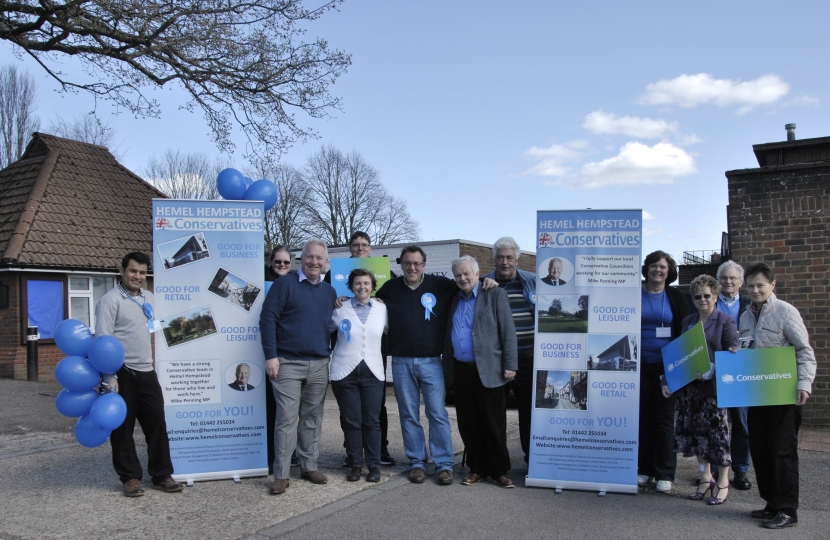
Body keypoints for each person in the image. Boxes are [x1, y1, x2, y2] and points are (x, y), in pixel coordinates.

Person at [95, 252, 183, 497]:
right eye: (133, 271)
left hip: (147, 370)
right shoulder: (110, 301)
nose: (138, 276)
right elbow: (102, 341)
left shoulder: (149, 298)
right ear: (122, 271)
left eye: (142, 273)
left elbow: (157, 328)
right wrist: (108, 377)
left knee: (157, 424)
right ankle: (130, 477)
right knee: (122, 429)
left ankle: (161, 475)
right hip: (122, 373)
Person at [738, 262, 815, 529]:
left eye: (760, 285)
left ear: (772, 285)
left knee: (782, 452)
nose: (756, 290)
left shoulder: (785, 312)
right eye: (751, 286)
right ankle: (771, 503)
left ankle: (787, 510)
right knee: (760, 449)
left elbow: (804, 351)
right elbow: (745, 349)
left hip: (784, 394)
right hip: (758, 393)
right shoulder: (745, 316)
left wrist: (804, 383)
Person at [375, 246, 458, 486]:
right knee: (409, 415)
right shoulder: (390, 288)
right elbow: (370, 303)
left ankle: (443, 464)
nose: (412, 267)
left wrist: (489, 282)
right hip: (400, 364)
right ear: (401, 264)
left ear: (424, 264)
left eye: (417, 263)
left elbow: (468, 283)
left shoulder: (441, 285)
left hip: (432, 362)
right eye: (407, 263)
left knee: (437, 414)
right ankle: (417, 463)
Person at [260, 239, 336, 495]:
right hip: (287, 363)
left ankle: (308, 465)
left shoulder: (329, 291)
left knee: (312, 419)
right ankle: (281, 473)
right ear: (300, 259)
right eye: (309, 257)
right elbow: (267, 319)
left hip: (318, 363)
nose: (314, 262)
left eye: (319, 258)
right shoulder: (284, 285)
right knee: (286, 419)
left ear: (326, 262)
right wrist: (271, 355)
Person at [444, 256, 517, 488]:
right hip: (462, 370)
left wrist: (510, 364)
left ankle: (499, 470)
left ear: (478, 274)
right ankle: (476, 468)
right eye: (458, 275)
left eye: (467, 274)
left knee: (493, 423)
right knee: (468, 422)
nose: (462, 278)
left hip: (489, 369)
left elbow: (508, 331)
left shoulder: (494, 294)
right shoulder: (454, 298)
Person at [326, 231, 396, 467]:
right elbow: (326, 303)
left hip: (375, 348)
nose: (360, 249)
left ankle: (380, 451)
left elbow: (392, 304)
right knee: (351, 412)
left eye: (364, 245)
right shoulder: (333, 273)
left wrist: (383, 303)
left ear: (370, 248)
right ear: (350, 248)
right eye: (355, 245)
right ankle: (353, 453)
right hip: (347, 346)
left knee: (376, 410)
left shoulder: (388, 273)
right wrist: (334, 302)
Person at [668, 274, 737, 504]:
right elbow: (680, 353)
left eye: (707, 295)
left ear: (715, 296)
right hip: (691, 390)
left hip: (714, 389)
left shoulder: (726, 321)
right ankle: (705, 479)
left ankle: (724, 481)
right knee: (697, 436)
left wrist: (713, 369)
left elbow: (731, 353)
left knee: (718, 437)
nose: (703, 300)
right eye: (697, 296)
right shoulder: (687, 322)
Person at [638, 250, 689, 493]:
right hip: (636, 365)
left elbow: (685, 331)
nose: (658, 270)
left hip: (667, 367)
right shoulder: (634, 293)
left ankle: (665, 472)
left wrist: (675, 370)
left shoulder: (676, 297)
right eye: (654, 265)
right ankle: (644, 469)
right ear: (646, 268)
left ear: (669, 273)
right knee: (642, 419)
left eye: (663, 267)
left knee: (665, 421)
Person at [330, 269, 388, 483]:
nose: (362, 287)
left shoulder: (382, 309)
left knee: (372, 421)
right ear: (351, 286)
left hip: (372, 372)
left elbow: (392, 332)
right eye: (357, 283)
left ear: (372, 286)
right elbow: (325, 330)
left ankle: (374, 465)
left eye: (366, 283)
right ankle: (355, 464)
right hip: (344, 371)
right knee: (352, 420)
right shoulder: (340, 308)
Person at [483, 236, 536, 464]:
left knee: (530, 415)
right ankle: (496, 463)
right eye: (500, 257)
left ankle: (532, 460)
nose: (505, 262)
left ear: (518, 259)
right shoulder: (483, 284)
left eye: (509, 258)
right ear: (494, 259)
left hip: (529, 359)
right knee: (494, 414)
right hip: (496, 361)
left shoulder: (532, 282)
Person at [715, 260, 752, 491]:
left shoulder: (750, 305)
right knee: (714, 422)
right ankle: (714, 470)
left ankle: (740, 470)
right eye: (724, 278)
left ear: (740, 281)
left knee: (740, 421)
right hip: (713, 368)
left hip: (740, 369)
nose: (728, 281)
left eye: (733, 278)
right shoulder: (707, 302)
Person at [263, 245, 298, 471]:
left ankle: (289, 452)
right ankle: (269, 454)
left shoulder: (296, 282)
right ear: (271, 262)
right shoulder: (260, 282)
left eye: (286, 262)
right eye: (278, 262)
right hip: (266, 351)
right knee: (269, 407)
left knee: (288, 410)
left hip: (287, 352)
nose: (282, 266)